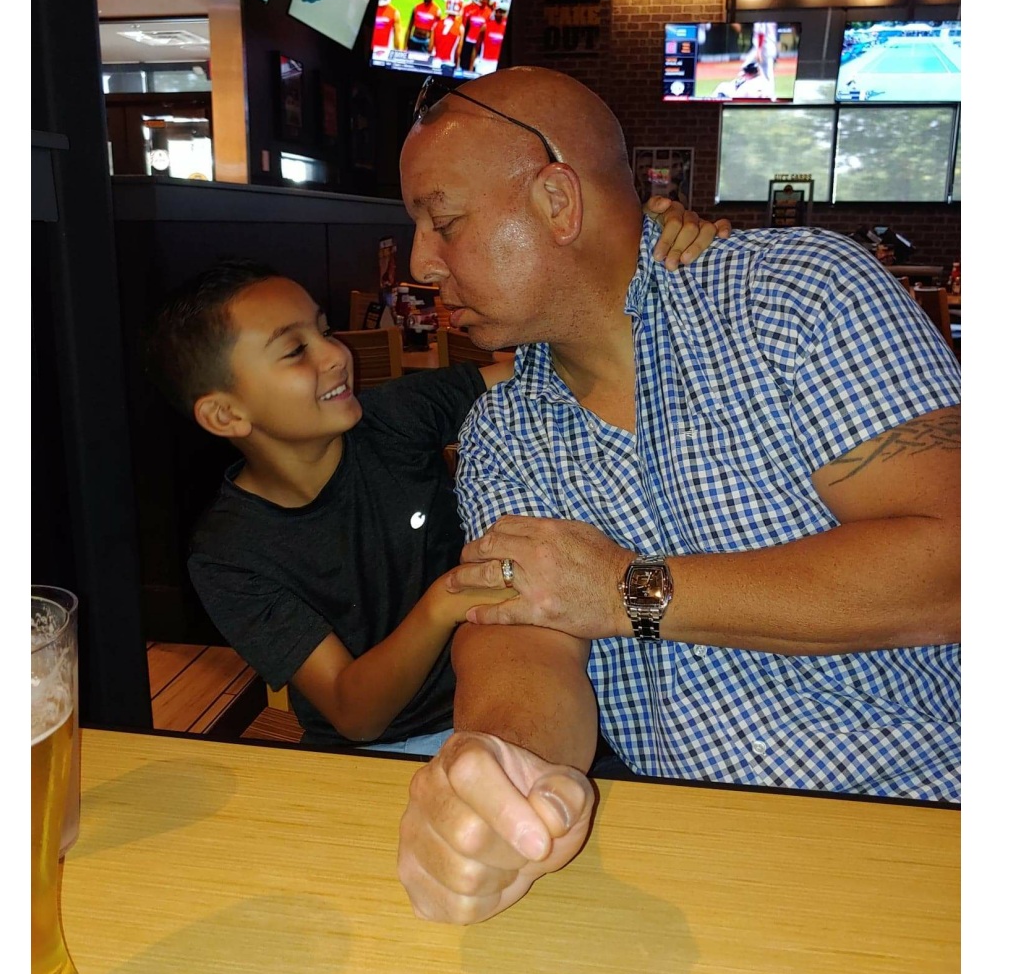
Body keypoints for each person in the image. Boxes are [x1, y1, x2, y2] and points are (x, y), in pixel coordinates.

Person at [396, 68, 961, 923]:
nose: (419, 263)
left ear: (557, 201)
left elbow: (959, 563)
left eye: (443, 222)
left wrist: (632, 591)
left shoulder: (794, 296)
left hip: (928, 822)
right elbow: (524, 644)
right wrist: (506, 766)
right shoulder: (503, 432)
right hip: (690, 860)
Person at [145, 205, 722, 757]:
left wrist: (629, 245)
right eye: (296, 350)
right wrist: (444, 601)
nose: (336, 355)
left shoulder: (393, 418)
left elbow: (549, 365)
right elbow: (354, 713)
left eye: (325, 330)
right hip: (365, 758)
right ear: (225, 414)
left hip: (498, 702)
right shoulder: (229, 554)